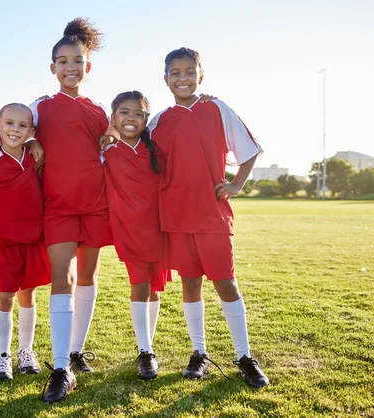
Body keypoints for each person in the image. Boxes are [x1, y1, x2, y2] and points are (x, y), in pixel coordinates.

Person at [148, 47, 270, 388]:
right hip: (176, 215)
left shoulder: (217, 108)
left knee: (225, 283)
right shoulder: (159, 120)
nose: (182, 78)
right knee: (190, 284)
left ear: (200, 76)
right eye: (175, 72)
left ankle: (244, 357)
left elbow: (249, 149)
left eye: (190, 72)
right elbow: (133, 143)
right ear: (166, 79)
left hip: (212, 215)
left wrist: (236, 184)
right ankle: (199, 353)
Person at [29, 17, 113, 402]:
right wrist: (32, 143)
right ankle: (61, 367)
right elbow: (12, 131)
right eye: (63, 61)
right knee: (62, 278)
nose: (70, 67)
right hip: (58, 207)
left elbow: (123, 139)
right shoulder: (39, 108)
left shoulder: (99, 111)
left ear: (88, 66)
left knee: (87, 278)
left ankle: (76, 352)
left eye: (77, 60)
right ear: (53, 68)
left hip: (95, 206)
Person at [101, 91, 171, 381]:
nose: (131, 118)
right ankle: (144, 352)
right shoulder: (106, 151)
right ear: (113, 117)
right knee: (139, 285)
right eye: (124, 112)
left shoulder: (156, 150)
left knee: (154, 289)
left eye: (139, 114)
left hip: (159, 228)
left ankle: (148, 346)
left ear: (146, 119)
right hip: (128, 229)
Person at [0, 103, 50, 381]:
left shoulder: (35, 157)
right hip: (7, 244)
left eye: (23, 126)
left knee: (28, 296)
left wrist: (36, 143)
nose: (15, 130)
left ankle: (25, 351)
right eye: (9, 123)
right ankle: (2, 355)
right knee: (5, 297)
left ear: (31, 131)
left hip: (33, 239)